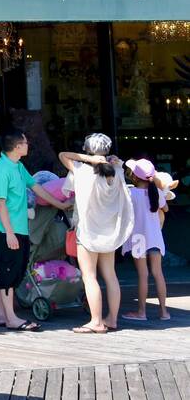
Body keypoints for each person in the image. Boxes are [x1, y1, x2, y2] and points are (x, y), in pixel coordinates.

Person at [0, 130, 69, 331]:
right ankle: (11, 318)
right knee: (8, 273)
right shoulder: (1, 170)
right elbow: (0, 203)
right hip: (6, 230)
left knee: (9, 272)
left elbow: (36, 187)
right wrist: (9, 233)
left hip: (18, 228)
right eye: (25, 142)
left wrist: (60, 205)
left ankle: (0, 314)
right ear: (17, 147)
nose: (28, 144)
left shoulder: (18, 166)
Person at [60, 134, 134, 335]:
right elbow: (120, 167)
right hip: (109, 232)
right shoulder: (117, 170)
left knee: (90, 277)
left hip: (88, 232)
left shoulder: (82, 170)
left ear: (87, 149)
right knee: (111, 276)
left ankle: (96, 321)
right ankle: (112, 319)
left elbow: (63, 155)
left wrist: (88, 159)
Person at [120, 159, 172, 323]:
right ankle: (164, 312)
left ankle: (141, 312)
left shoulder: (130, 193)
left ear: (134, 176)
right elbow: (166, 208)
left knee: (143, 274)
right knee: (158, 273)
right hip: (155, 237)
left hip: (138, 238)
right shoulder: (156, 192)